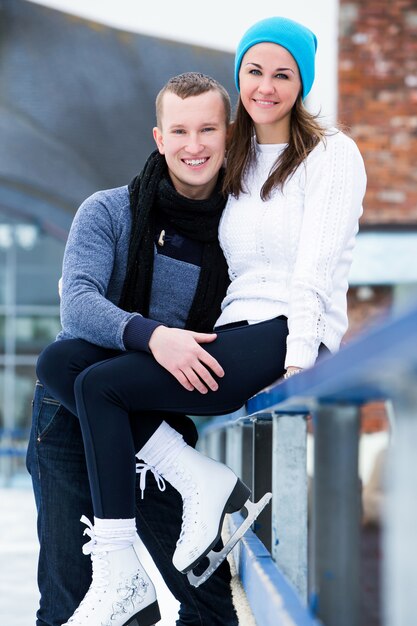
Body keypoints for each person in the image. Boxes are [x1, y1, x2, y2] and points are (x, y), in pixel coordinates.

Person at [37, 15, 367, 626]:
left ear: (303, 83)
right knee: (61, 361)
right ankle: (189, 483)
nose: (266, 85)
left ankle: (128, 565)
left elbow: (316, 273)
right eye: (253, 70)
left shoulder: (329, 154)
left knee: (99, 385)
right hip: (220, 339)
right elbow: (82, 305)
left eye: (283, 73)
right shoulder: (224, 166)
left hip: (279, 336)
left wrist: (296, 365)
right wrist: (158, 338)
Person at [27, 72, 239, 626]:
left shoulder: (242, 230)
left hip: (157, 416)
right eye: (180, 130)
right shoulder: (107, 212)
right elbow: (77, 305)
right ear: (159, 137)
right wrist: (156, 337)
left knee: (206, 596)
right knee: (76, 601)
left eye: (208, 129)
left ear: (229, 134)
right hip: (69, 413)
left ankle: (193, 479)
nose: (194, 145)